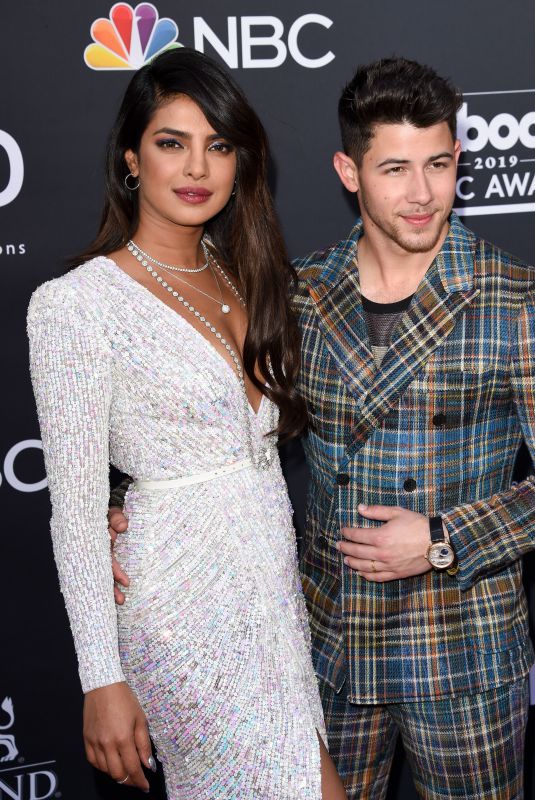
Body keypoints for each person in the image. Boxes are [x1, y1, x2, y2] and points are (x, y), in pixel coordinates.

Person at [108, 56, 535, 798]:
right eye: (395, 168)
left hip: (463, 652)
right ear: (348, 170)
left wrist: (442, 537)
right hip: (326, 644)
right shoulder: (296, 291)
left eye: (438, 163)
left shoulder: (514, 297)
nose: (422, 193)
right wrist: (132, 506)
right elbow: (222, 428)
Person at [27, 47, 346, 800]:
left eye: (219, 145)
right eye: (172, 142)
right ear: (132, 157)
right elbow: (74, 512)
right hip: (178, 613)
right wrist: (101, 678)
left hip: (272, 600)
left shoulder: (246, 275)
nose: (196, 166)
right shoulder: (76, 305)